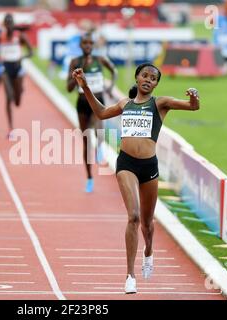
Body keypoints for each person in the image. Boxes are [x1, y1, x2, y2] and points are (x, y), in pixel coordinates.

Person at [72, 63, 200, 293]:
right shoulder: (125, 104)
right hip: (127, 164)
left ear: (156, 84)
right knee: (133, 216)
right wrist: (86, 87)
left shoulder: (160, 103)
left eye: (153, 78)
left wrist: (194, 97)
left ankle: (148, 251)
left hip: (149, 166)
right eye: (145, 75)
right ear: (137, 78)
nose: (148, 80)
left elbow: (193, 107)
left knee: (148, 225)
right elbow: (100, 113)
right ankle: (130, 276)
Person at [66, 32, 117, 193]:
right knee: (86, 141)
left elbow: (114, 71)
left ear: (93, 45)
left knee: (99, 129)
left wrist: (110, 87)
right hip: (82, 103)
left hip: (98, 100)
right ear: (80, 45)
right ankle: (89, 177)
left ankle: (100, 146)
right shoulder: (75, 62)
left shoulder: (100, 60)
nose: (87, 45)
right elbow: (68, 88)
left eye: (90, 43)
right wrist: (75, 79)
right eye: (84, 43)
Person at [0, 13, 33, 138]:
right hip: (5, 68)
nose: (8, 25)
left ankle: (20, 90)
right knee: (9, 97)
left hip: (17, 68)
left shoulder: (20, 36)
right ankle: (10, 128)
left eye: (10, 23)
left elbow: (31, 52)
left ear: (13, 24)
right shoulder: (0, 36)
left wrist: (22, 57)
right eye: (6, 23)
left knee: (17, 102)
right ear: (4, 25)